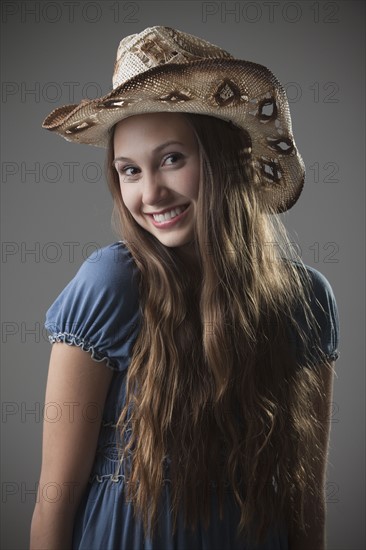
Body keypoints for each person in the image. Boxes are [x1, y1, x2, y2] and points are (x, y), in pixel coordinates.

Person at [30, 26, 339, 550]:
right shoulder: (110, 288)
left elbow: (305, 502)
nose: (150, 192)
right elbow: (53, 500)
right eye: (129, 170)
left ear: (224, 158)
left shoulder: (306, 301)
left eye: (172, 158)